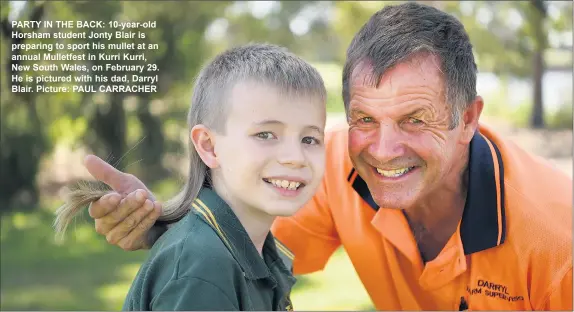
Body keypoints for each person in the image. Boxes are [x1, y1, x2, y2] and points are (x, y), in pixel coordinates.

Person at [82, 3, 573, 311]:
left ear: (467, 119)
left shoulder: (559, 245)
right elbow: (238, 241)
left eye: (414, 120)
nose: (383, 151)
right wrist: (160, 222)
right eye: (364, 119)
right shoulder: (334, 164)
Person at [54, 43, 328, 310]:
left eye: (309, 138)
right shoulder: (202, 268)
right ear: (209, 146)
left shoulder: (257, 251)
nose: (295, 157)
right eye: (265, 135)